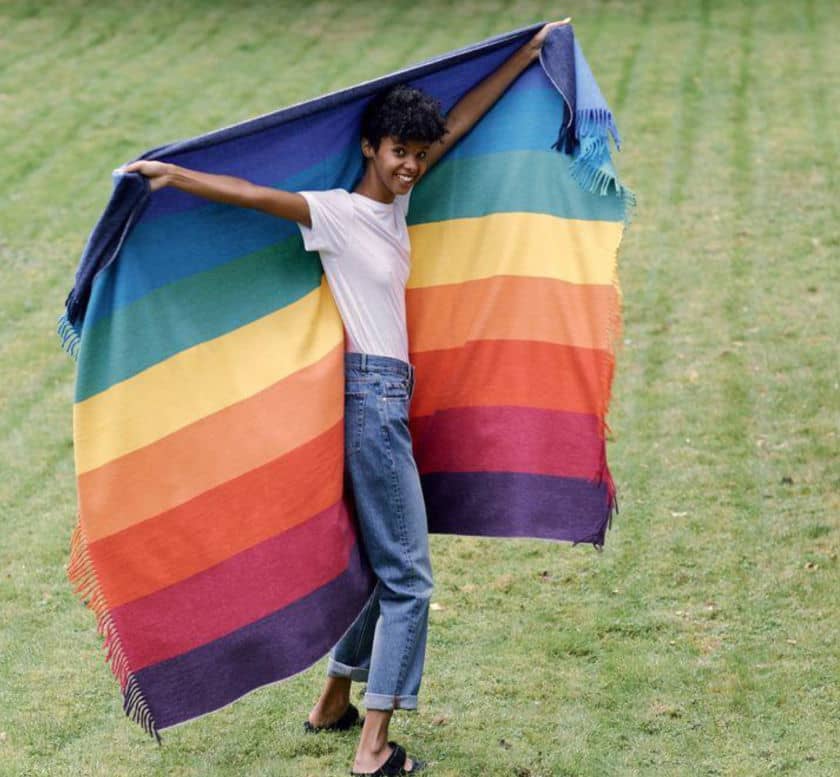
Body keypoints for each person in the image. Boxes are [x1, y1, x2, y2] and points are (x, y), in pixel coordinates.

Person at [124, 19, 570, 776]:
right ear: (370, 147)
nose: (411, 167)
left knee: (379, 560)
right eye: (400, 153)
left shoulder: (395, 204)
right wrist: (174, 176)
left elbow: (456, 124)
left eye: (418, 156)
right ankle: (373, 749)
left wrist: (525, 53)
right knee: (409, 578)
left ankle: (332, 701)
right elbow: (256, 196)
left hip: (381, 399)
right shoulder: (336, 213)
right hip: (370, 402)